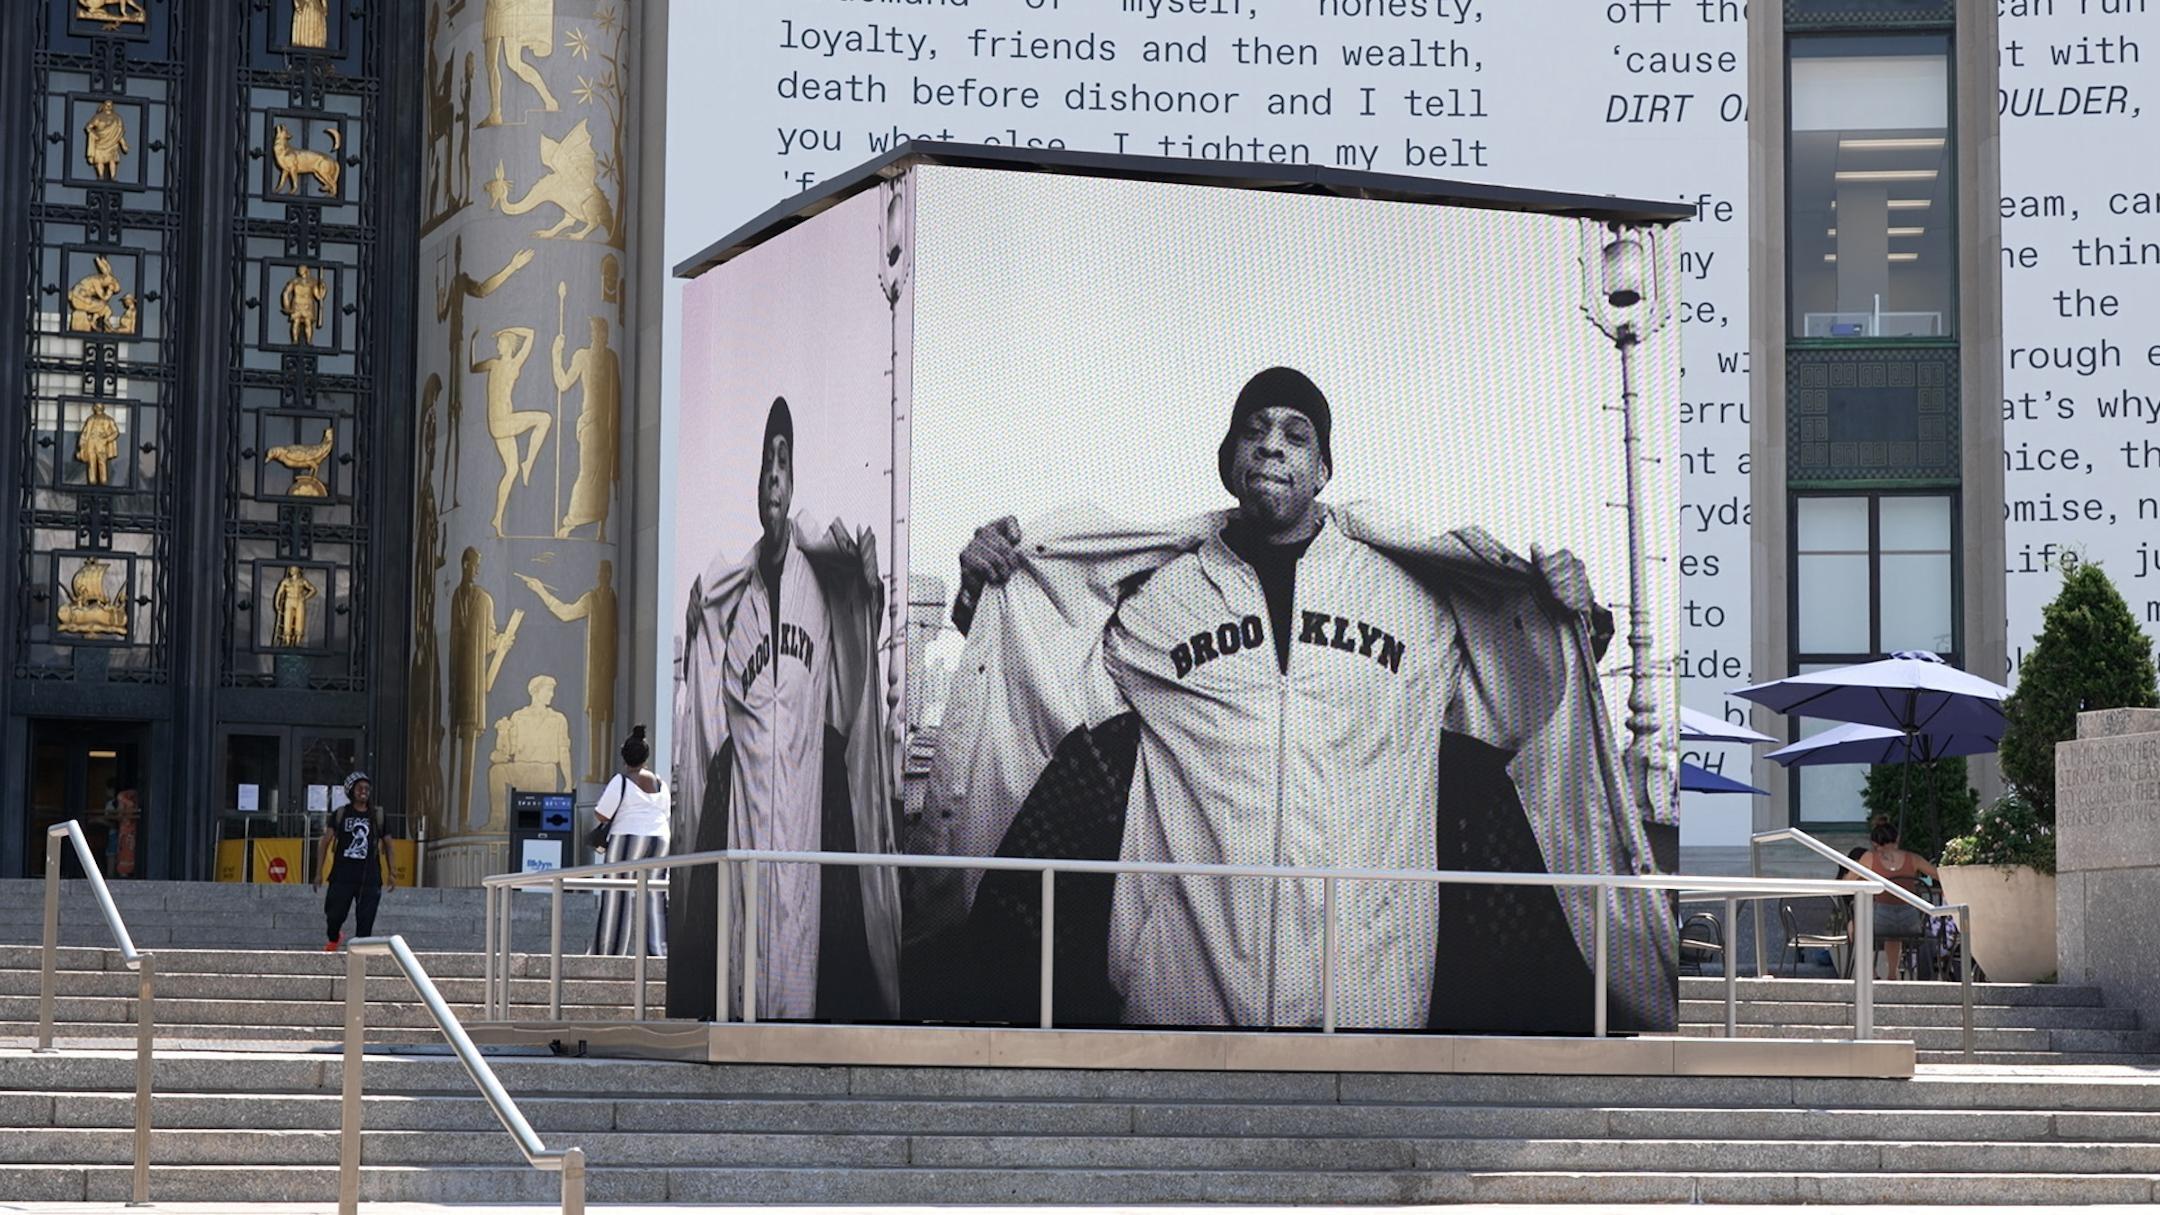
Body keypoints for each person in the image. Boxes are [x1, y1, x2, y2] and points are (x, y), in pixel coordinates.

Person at [909, 366, 1670, 1033]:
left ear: (1323, 470)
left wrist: (1571, 619)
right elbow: (1039, 678)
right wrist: (989, 588)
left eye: (1296, 433)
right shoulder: (1154, 603)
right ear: (1227, 461)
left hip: (1369, 992)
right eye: (1254, 429)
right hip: (1184, 992)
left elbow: (1516, 693)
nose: (1272, 443)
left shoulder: (1408, 596)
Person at [672, 395, 901, 1023]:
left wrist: (866, 581)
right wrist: (699, 621)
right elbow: (706, 704)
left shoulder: (821, 578)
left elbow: (859, 642)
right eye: (764, 464)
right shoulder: (733, 592)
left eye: (784, 462)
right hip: (746, 797)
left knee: (817, 941)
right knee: (737, 939)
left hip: (810, 794)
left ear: (794, 478)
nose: (773, 477)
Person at [592, 725, 670, 956]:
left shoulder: (622, 780)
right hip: (660, 839)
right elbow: (665, 812)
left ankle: (609, 951)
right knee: (655, 893)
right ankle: (658, 951)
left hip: (628, 836)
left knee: (617, 892)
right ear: (646, 757)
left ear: (624, 757)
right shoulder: (660, 783)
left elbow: (602, 813)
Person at [314, 772, 395, 951]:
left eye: (367, 788)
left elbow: (388, 844)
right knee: (334, 915)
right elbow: (325, 843)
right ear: (351, 791)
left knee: (365, 921)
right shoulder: (341, 814)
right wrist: (318, 872)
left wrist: (392, 872)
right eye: (360, 788)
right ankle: (334, 937)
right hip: (342, 876)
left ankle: (360, 954)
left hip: (370, 878)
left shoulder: (378, 815)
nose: (364, 791)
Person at [1861, 818, 1937, 980]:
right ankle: (1892, 974)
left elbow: (1848, 882)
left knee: (1859, 927)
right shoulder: (1913, 859)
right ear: (1897, 839)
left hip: (1880, 921)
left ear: (1875, 843)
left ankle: (1871, 973)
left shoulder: (1869, 858)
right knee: (1895, 932)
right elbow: (1939, 875)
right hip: (1910, 921)